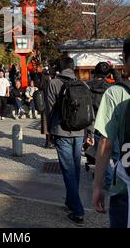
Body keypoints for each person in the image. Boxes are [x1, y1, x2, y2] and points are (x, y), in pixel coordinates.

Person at [93, 38, 130, 228]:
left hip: (124, 185)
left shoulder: (116, 93)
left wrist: (98, 186)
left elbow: (104, 143)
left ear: (125, 58)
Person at [46, 57, 86, 225]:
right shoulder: (82, 84)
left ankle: (78, 210)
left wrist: (50, 131)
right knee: (75, 168)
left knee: (68, 170)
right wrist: (88, 132)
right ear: (73, 67)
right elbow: (87, 109)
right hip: (79, 131)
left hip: (62, 131)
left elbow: (49, 107)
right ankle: (71, 202)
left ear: (59, 68)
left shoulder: (53, 83)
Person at [87, 62, 119, 189]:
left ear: (95, 72)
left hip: (96, 124)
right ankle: (118, 180)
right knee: (116, 155)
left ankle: (109, 180)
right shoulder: (111, 87)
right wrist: (114, 71)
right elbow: (121, 83)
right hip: (112, 123)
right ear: (107, 74)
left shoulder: (88, 86)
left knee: (102, 155)